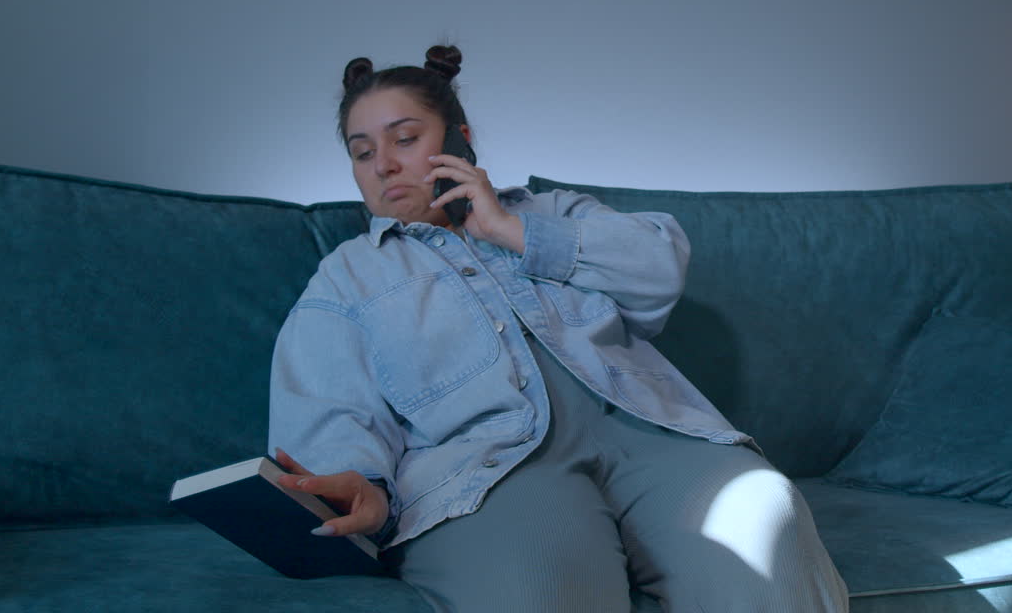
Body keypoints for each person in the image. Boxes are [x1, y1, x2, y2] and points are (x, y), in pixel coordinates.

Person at [267, 44, 850, 612]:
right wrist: (366, 485)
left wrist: (509, 231)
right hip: (493, 469)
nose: (384, 165)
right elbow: (329, 407)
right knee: (542, 579)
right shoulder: (346, 278)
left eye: (405, 138)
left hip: (652, 435)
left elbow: (658, 267)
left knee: (762, 516)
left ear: (457, 141)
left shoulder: (554, 214)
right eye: (362, 151)